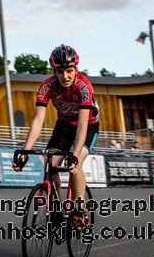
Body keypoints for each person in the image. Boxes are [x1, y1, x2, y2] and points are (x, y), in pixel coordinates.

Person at [12, 44, 99, 225]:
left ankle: (78, 209)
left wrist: (74, 155)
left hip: (87, 126)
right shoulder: (47, 86)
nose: (65, 76)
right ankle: (57, 209)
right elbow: (37, 120)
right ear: (54, 71)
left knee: (76, 163)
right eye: (60, 71)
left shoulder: (84, 87)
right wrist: (25, 151)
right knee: (51, 166)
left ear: (76, 69)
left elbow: (83, 124)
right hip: (64, 125)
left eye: (69, 71)